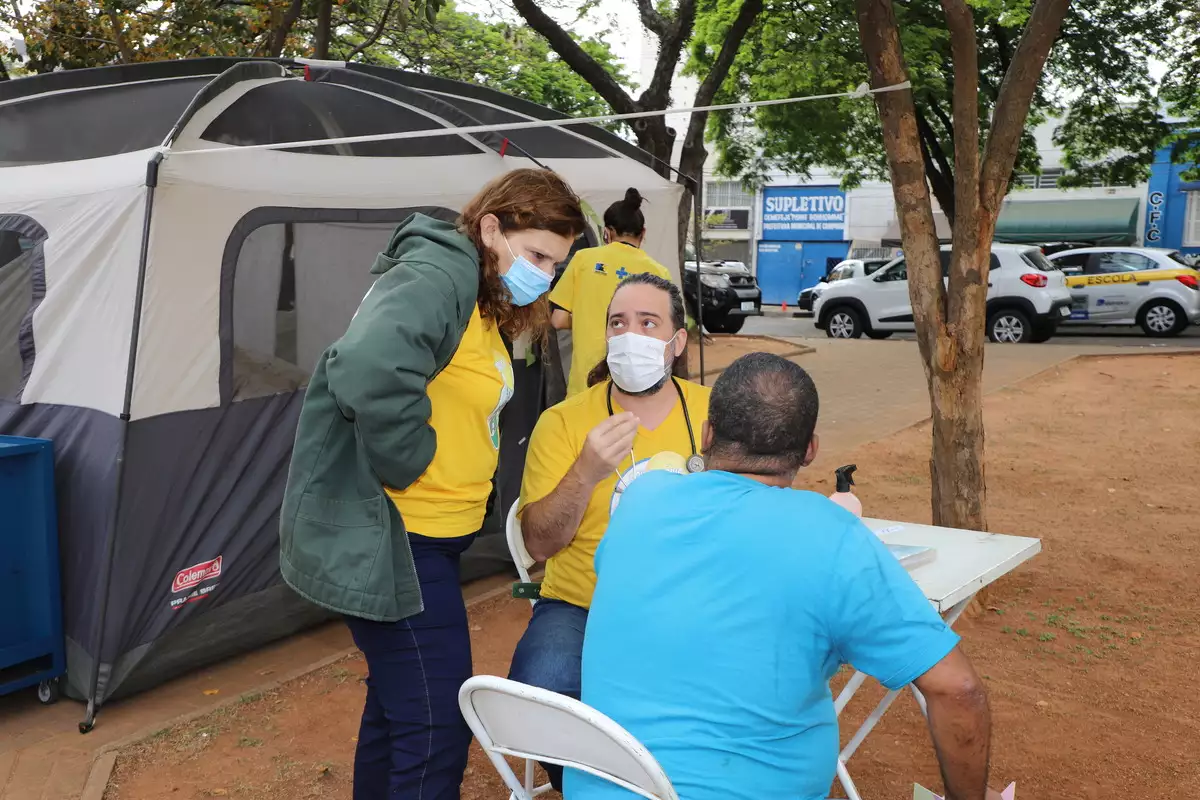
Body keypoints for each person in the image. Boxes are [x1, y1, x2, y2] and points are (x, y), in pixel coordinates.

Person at [278, 168, 586, 800]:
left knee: (397, 713)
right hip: (400, 540)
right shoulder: (437, 274)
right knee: (437, 726)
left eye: (554, 264)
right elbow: (366, 368)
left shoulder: (478, 294)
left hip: (428, 541)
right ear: (490, 227)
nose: (544, 276)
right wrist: (410, 459)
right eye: (535, 255)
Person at [570, 353, 994, 800]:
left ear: (708, 433)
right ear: (810, 449)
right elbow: (958, 689)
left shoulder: (642, 498)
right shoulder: (830, 535)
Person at [509, 272, 709, 790]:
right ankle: (586, 786)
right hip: (581, 606)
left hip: (693, 604)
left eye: (648, 323)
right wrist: (586, 471)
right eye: (618, 324)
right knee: (541, 690)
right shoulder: (563, 422)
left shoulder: (714, 415)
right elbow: (539, 543)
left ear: (677, 341)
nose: (630, 336)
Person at [550, 188, 672, 398]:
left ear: (607, 232)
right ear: (643, 233)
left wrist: (585, 317)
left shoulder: (583, 259)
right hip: (634, 384)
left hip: (584, 384)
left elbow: (558, 320)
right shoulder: (659, 272)